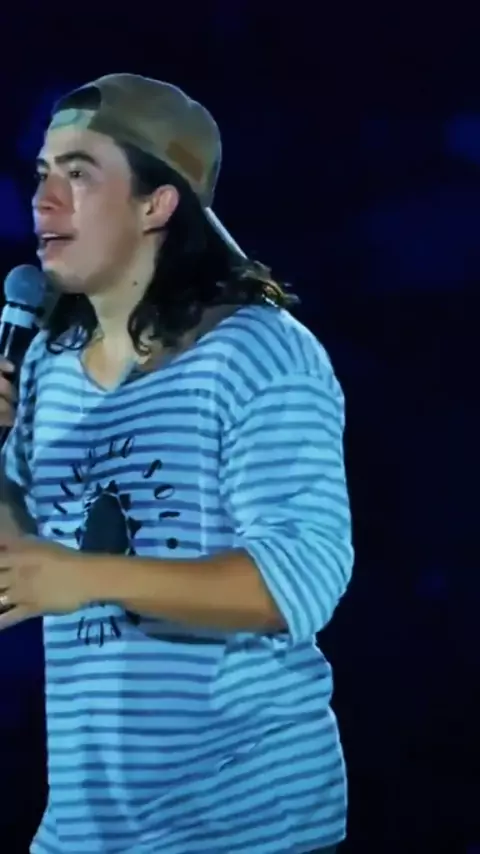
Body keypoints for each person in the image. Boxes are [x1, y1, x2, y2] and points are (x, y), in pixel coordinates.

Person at [0, 73, 353, 854]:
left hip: (246, 827)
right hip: (86, 832)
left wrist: (88, 576)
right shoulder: (49, 363)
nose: (43, 201)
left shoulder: (261, 354)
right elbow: (25, 571)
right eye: (42, 173)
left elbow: (296, 583)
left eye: (78, 174)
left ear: (156, 204)